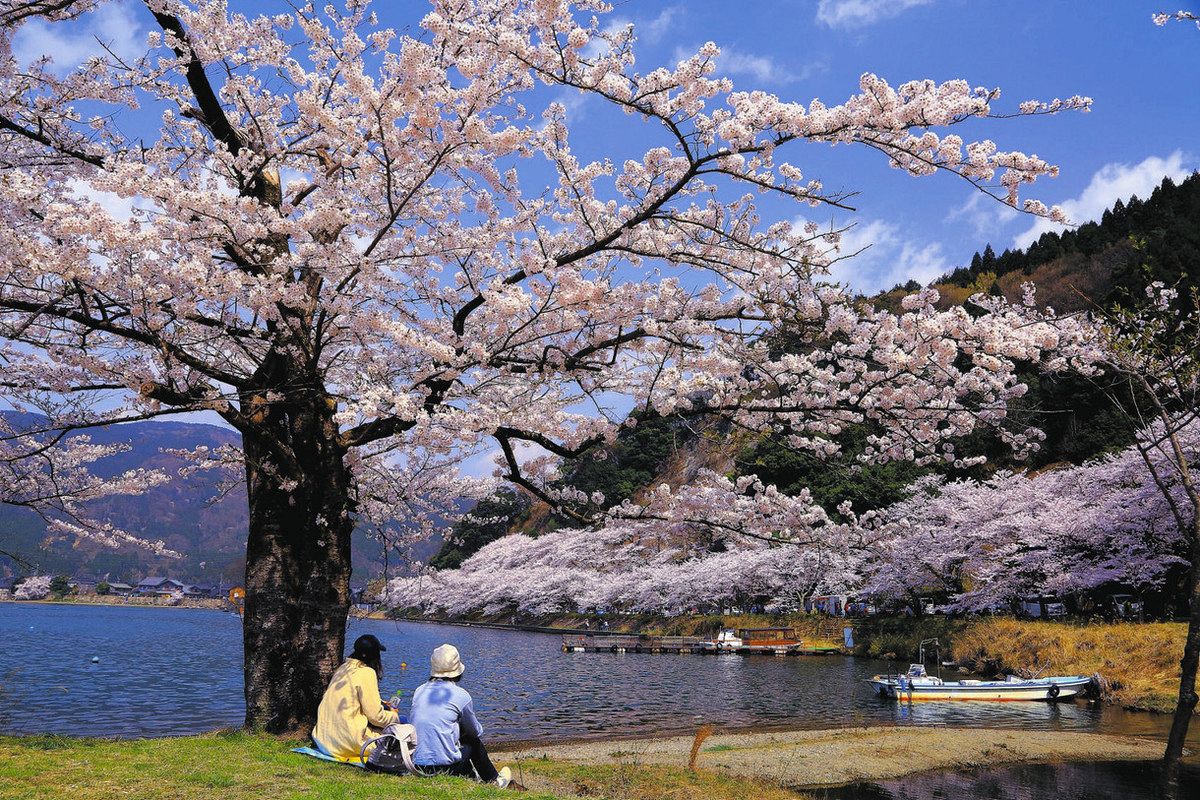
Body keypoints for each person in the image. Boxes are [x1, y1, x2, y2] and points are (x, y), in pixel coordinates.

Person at [409, 644, 512, 788]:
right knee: (473, 743)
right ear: (457, 671)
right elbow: (475, 732)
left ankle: (472, 776)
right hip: (444, 768)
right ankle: (494, 780)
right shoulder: (460, 695)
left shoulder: (419, 691)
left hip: (416, 765)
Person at [312, 634, 400, 760]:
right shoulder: (367, 672)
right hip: (348, 743)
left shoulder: (343, 668)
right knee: (402, 722)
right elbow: (376, 717)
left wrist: (380, 703)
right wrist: (394, 715)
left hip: (324, 741)